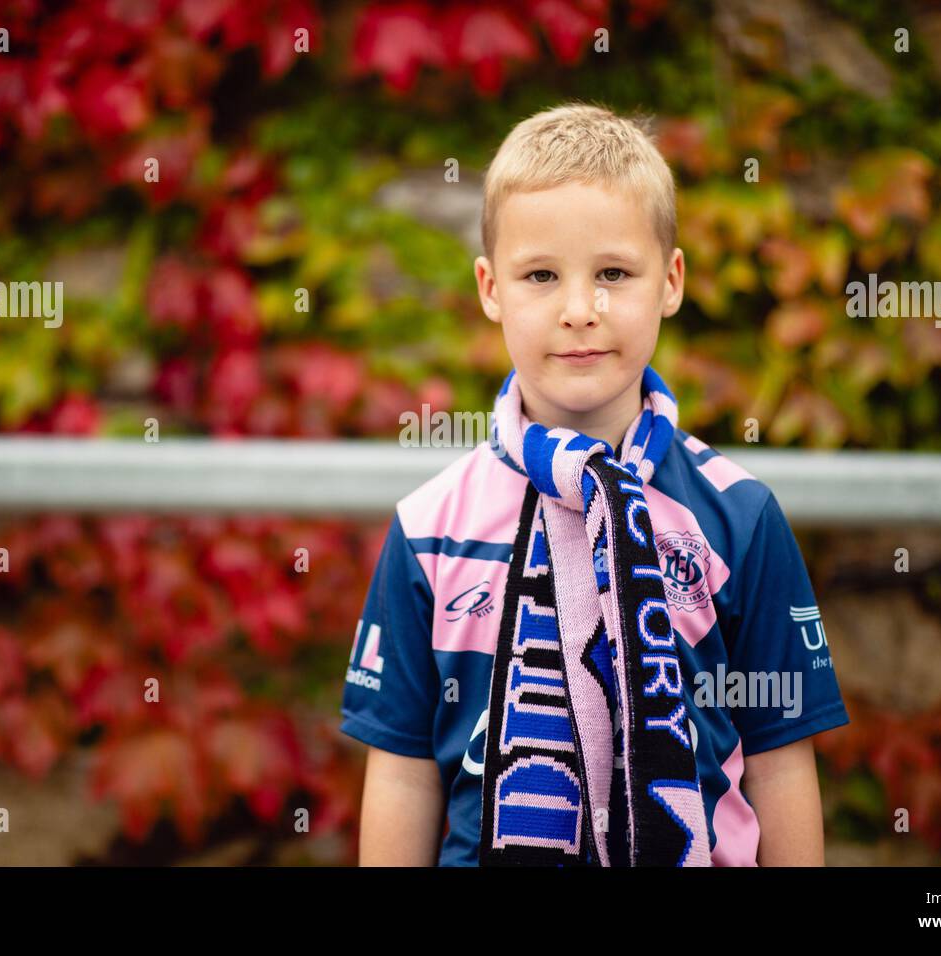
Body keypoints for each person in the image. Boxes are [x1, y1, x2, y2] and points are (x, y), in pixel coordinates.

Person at [339, 101, 850, 866]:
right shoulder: (430, 527)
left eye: (613, 273)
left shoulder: (737, 516)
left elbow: (779, 758)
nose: (580, 310)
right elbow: (405, 773)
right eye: (540, 275)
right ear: (489, 289)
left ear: (670, 281)